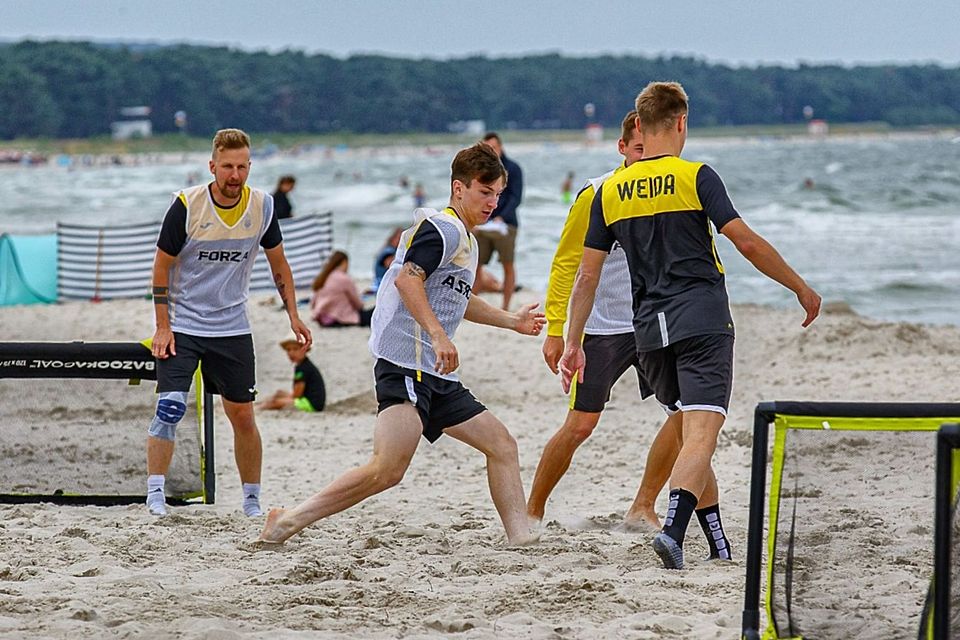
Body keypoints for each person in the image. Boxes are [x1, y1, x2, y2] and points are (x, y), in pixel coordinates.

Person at [560, 82, 821, 570]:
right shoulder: (696, 175)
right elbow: (746, 243)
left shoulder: (609, 191)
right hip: (701, 320)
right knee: (701, 435)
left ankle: (718, 542)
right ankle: (674, 532)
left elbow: (586, 276)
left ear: (639, 125)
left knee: (688, 432)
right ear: (681, 122)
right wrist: (800, 287)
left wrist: (573, 341)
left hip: (649, 335)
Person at [259, 143, 544, 546]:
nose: (492, 202)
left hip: (434, 371)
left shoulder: (468, 239)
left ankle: (521, 539)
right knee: (388, 470)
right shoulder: (441, 228)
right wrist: (439, 335)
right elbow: (407, 280)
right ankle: (286, 521)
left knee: (501, 445)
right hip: (403, 361)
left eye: (497, 194)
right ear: (458, 188)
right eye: (485, 192)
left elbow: (458, 299)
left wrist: (512, 321)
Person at [147, 128, 312, 517]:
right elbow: (161, 267)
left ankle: (251, 499)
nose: (234, 175)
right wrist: (162, 325)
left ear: (249, 167)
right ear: (212, 166)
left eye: (241, 167)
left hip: (232, 326)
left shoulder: (263, 206)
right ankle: (155, 493)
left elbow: (279, 264)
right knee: (170, 407)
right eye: (226, 167)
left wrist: (293, 314)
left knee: (242, 415)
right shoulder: (187, 205)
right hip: (184, 324)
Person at [531, 111, 681, 532]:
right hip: (601, 327)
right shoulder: (596, 193)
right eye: (638, 149)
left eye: (651, 149)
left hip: (653, 322)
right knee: (580, 424)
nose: (646, 157)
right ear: (622, 149)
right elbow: (566, 264)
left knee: (685, 415)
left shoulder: (669, 189)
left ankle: (643, 507)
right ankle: (532, 511)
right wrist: (558, 331)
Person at [473, 132, 523, 310]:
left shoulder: (513, 168)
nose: (492, 152)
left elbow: (516, 198)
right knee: (476, 265)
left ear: (501, 147)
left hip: (506, 224)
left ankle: (506, 306)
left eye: (494, 148)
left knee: (508, 265)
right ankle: (470, 305)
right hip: (485, 223)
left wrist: (501, 216)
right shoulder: (481, 172)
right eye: (488, 149)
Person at [258, 339, 326, 412]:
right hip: (306, 400)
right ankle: (259, 406)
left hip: (311, 404)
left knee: (274, 402)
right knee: (279, 393)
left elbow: (297, 395)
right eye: (288, 350)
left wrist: (278, 401)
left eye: (295, 349)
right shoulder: (304, 365)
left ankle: (257, 409)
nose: (291, 353)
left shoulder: (303, 369)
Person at [310, 250, 373, 327]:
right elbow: (358, 304)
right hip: (339, 318)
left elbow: (313, 303)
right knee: (374, 311)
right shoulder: (344, 278)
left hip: (322, 318)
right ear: (344, 262)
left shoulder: (323, 277)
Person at [369, 227, 403, 294]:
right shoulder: (388, 252)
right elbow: (392, 267)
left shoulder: (386, 250)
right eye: (399, 238)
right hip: (381, 285)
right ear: (393, 239)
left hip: (378, 283)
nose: (401, 241)